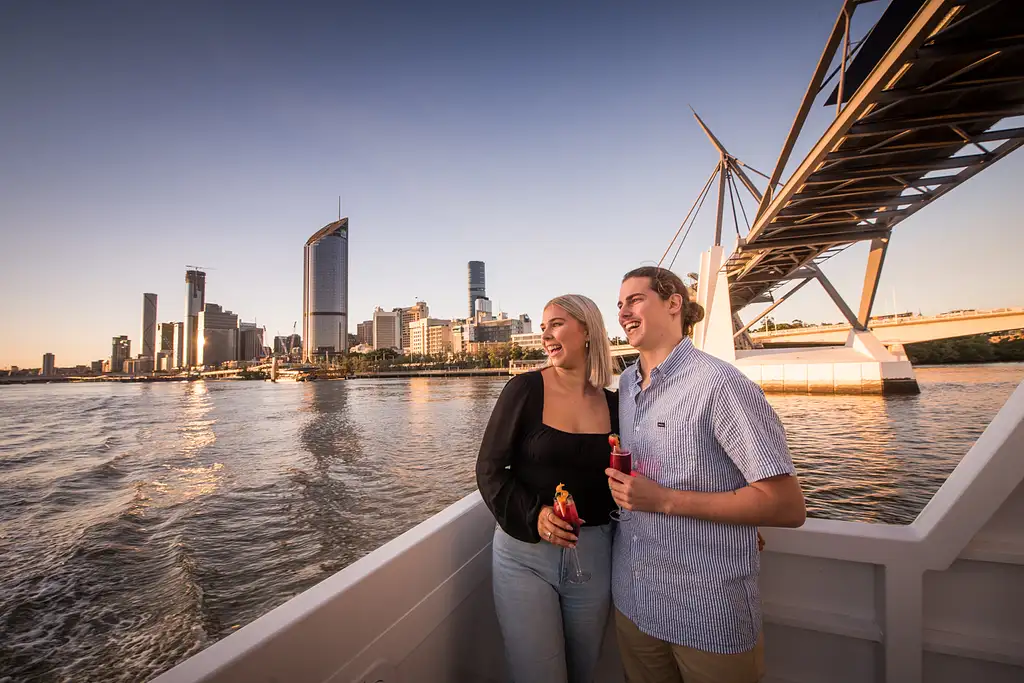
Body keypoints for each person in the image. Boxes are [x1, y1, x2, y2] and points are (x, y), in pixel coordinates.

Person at [605, 266, 806, 683]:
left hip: (707, 612)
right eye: (620, 305)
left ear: (674, 303)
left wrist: (663, 499)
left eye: (635, 300)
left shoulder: (719, 384)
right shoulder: (625, 384)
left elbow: (787, 505)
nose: (624, 312)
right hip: (634, 601)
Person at [476, 294, 618, 683]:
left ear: (587, 329)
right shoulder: (523, 390)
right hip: (524, 555)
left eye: (555, 324)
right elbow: (489, 469)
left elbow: (652, 467)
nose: (545, 336)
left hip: (594, 556)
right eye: (542, 328)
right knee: (536, 673)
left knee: (583, 668)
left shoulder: (616, 404)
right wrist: (535, 515)